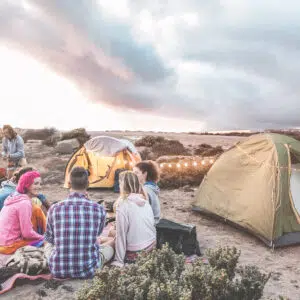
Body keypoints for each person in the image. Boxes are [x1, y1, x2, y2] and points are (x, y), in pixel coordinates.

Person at [44, 167, 114, 279]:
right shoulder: (98, 209)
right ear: (88, 184)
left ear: (69, 183)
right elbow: (98, 234)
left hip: (58, 270)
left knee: (47, 244)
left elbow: (49, 239)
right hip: (89, 270)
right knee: (110, 246)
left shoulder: (54, 208)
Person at [111, 171, 156, 267]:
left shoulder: (122, 205)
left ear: (122, 185)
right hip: (152, 246)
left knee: (111, 236)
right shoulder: (145, 201)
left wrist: (118, 261)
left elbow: (121, 236)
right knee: (112, 233)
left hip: (136, 252)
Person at [0, 171, 46, 254]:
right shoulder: (24, 203)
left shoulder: (13, 197)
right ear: (26, 185)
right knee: (47, 242)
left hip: (3, 242)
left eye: (40, 184)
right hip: (10, 246)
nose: (39, 187)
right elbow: (27, 233)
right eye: (35, 184)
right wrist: (43, 237)